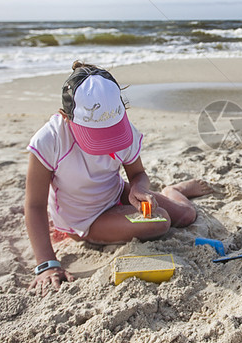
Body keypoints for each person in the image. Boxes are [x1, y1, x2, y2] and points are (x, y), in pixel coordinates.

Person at [24, 61, 212, 295]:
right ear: (66, 117)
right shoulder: (50, 140)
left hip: (116, 193)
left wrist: (139, 189)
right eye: (96, 135)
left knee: (186, 215)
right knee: (160, 221)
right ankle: (156, 201)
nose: (105, 144)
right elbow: (34, 205)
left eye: (110, 132)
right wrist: (47, 264)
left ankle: (175, 190)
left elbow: (138, 174)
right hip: (84, 220)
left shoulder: (124, 128)